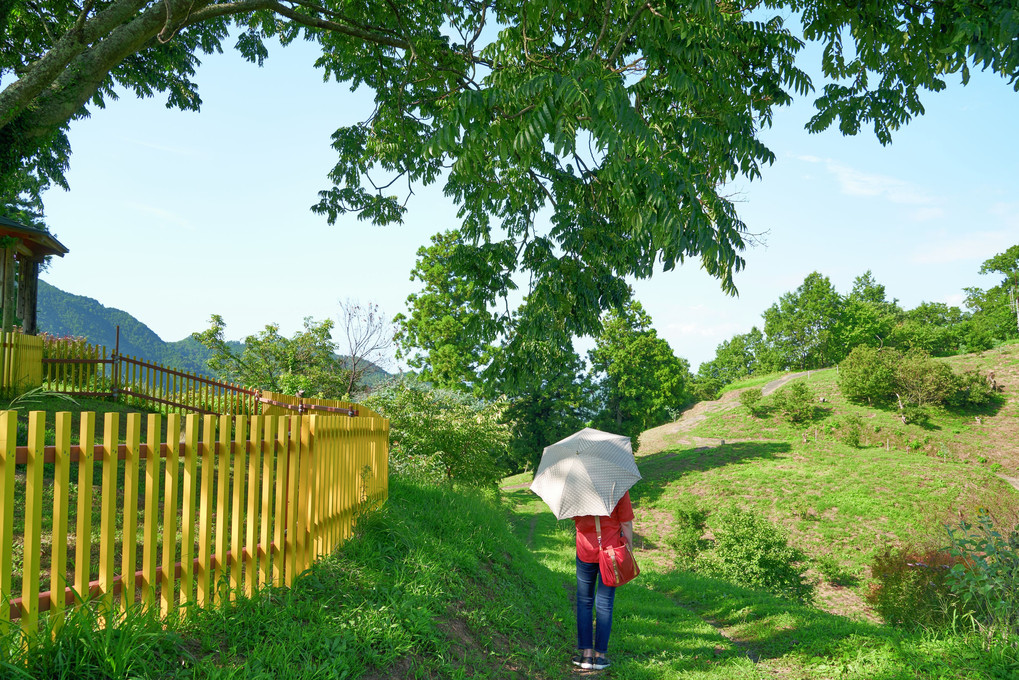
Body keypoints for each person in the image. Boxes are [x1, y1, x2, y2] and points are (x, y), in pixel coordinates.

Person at [572, 491, 634, 671]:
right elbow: (626, 522)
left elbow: (574, 517)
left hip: (585, 549)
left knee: (584, 602)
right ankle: (600, 657)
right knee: (605, 603)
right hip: (612, 551)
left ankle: (586, 655)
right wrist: (629, 546)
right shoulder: (618, 485)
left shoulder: (577, 486)